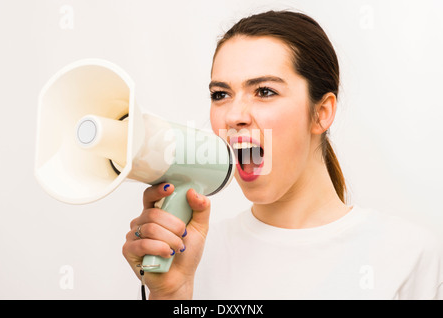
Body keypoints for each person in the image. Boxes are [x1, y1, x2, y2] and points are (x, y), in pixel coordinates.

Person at [122, 10, 442, 300]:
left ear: (322, 112)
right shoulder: (190, 255)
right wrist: (172, 294)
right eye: (221, 94)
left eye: (264, 91)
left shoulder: (410, 256)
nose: (233, 115)